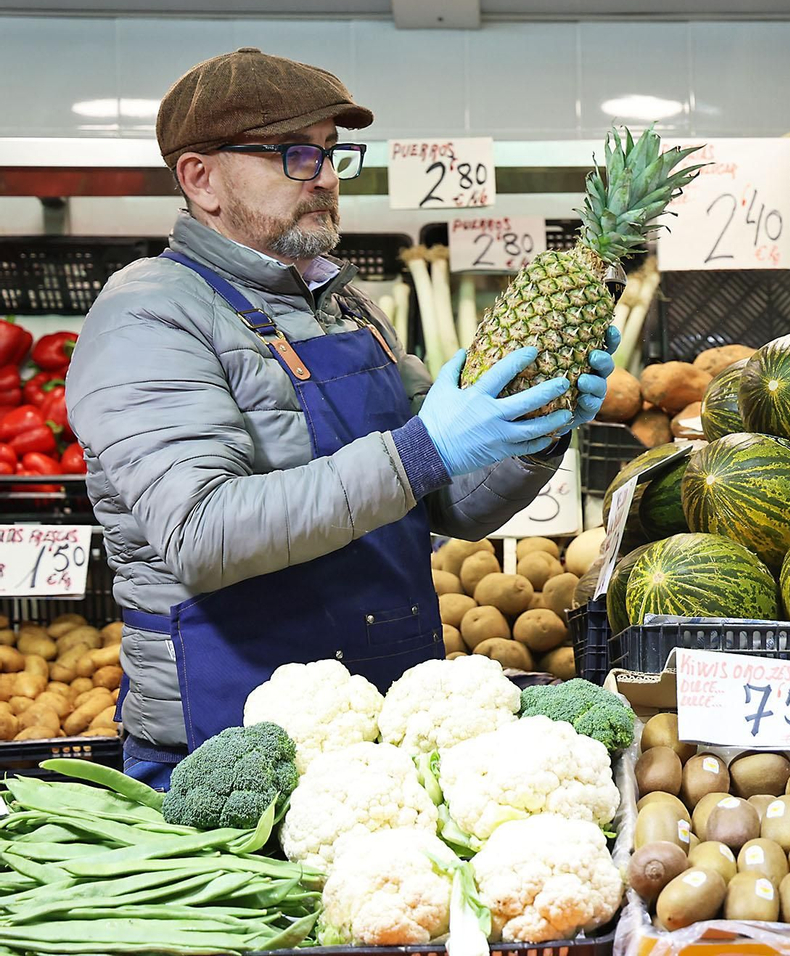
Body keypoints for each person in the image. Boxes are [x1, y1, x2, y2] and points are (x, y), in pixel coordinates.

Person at [64, 48, 612, 788]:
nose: (323, 176)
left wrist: (533, 430)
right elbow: (201, 533)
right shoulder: (147, 314)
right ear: (200, 178)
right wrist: (424, 448)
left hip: (386, 734)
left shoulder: (350, 307)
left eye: (330, 152)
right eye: (292, 154)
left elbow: (450, 501)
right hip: (234, 749)